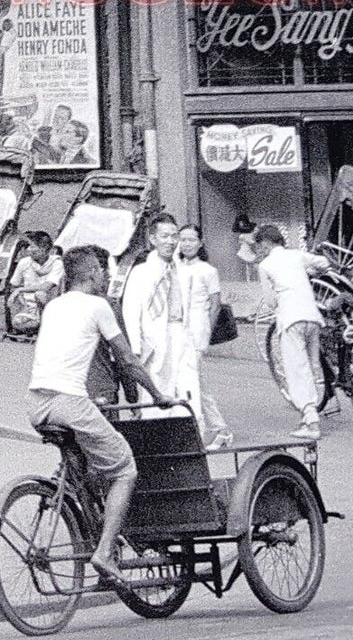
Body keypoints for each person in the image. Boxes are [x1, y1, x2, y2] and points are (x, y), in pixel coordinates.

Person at [27, 244, 179, 583]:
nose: (104, 276)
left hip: (37, 404)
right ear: (94, 273)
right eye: (102, 270)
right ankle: (105, 551)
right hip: (71, 401)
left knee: (85, 469)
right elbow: (126, 359)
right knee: (124, 468)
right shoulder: (99, 306)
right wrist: (158, 395)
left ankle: (87, 522)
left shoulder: (53, 306)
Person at [252, 225, 330, 441]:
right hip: (312, 317)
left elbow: (270, 301)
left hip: (290, 319)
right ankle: (314, 407)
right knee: (312, 365)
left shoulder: (265, 265)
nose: (258, 251)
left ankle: (311, 420)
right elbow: (323, 263)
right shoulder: (296, 256)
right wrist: (312, 272)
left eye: (259, 246)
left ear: (265, 244)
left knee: (297, 368)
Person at [120, 214, 196, 410]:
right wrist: (135, 346)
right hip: (153, 338)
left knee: (187, 387)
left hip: (182, 334)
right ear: (153, 239)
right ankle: (157, 435)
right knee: (156, 389)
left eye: (174, 236)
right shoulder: (141, 272)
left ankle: (187, 434)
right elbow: (131, 311)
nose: (170, 242)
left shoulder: (185, 270)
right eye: (164, 236)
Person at [175, 224, 232, 450]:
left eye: (191, 240)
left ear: (200, 243)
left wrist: (206, 332)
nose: (187, 244)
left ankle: (197, 432)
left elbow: (215, 305)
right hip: (179, 330)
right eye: (183, 240)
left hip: (198, 330)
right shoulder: (175, 266)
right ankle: (221, 430)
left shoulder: (208, 271)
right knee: (196, 382)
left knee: (192, 381)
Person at [7, 231, 63, 336]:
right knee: (17, 323)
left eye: (33, 247)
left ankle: (46, 324)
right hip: (29, 307)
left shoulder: (57, 263)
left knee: (40, 294)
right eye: (29, 246)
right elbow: (14, 285)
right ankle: (39, 326)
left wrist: (21, 289)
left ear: (45, 249)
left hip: (49, 305)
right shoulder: (24, 262)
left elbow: (47, 286)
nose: (29, 250)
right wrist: (21, 300)